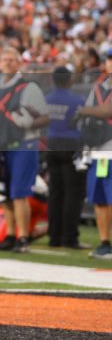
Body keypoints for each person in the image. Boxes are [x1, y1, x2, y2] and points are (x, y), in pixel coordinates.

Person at [0, 46, 48, 254]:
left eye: (13, 59)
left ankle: (23, 237)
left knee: (20, 193)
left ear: (19, 63)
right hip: (0, 145)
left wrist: (27, 123)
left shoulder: (29, 87)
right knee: (4, 193)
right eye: (5, 59)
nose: (9, 63)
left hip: (23, 144)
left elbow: (45, 117)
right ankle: (10, 235)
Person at [44, 65, 87, 249]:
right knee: (73, 193)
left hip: (51, 144)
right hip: (71, 145)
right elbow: (83, 124)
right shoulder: (77, 100)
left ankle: (54, 237)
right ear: (70, 80)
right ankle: (69, 238)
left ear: (53, 80)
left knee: (55, 192)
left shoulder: (46, 99)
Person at [77, 50, 112, 259]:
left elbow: (107, 111)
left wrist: (83, 111)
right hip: (100, 152)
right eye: (109, 59)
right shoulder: (98, 88)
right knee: (100, 197)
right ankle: (104, 242)